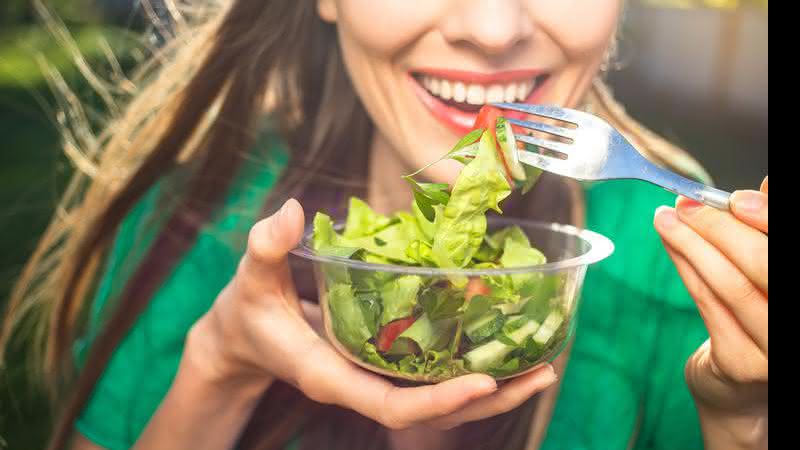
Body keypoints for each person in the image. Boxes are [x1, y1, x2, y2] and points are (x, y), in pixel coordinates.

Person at [2, 1, 768, 449]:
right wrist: (220, 364)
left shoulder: (689, 275)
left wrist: (741, 422)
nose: (494, 28)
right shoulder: (197, 228)